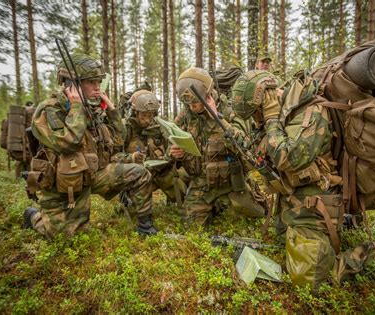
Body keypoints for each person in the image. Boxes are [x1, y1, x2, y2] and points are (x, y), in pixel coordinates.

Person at [231, 70, 375, 290]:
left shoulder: (310, 111)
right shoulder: (284, 113)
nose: (256, 119)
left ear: (266, 98)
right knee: (281, 249)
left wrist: (270, 119)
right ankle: (340, 227)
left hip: (315, 206)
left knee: (310, 281)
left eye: (256, 112)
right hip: (292, 204)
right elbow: (265, 151)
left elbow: (289, 158)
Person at [22, 53, 152, 239]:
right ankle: (33, 216)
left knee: (140, 173)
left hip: (93, 174)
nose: (97, 87)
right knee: (66, 239)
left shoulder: (90, 108)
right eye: (91, 82)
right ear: (71, 84)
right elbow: (68, 142)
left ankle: (145, 229)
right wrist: (76, 107)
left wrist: (112, 111)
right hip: (64, 185)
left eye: (98, 81)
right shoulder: (49, 110)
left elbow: (118, 141)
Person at [169, 67, 267, 228]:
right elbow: (172, 139)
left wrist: (217, 118)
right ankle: (215, 205)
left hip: (233, 182)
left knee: (257, 218)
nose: (192, 107)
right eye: (188, 104)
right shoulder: (187, 114)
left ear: (207, 95)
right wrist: (175, 153)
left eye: (196, 103)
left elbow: (245, 145)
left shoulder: (230, 109)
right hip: (202, 181)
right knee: (193, 229)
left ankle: (224, 204)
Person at [113, 90, 186, 235]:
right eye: (143, 115)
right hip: (136, 179)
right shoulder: (125, 129)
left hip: (161, 172)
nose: (147, 119)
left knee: (184, 192)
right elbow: (113, 156)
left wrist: (171, 154)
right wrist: (131, 157)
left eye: (150, 115)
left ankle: (176, 201)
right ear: (135, 113)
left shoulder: (160, 127)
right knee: (136, 215)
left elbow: (171, 147)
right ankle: (128, 203)